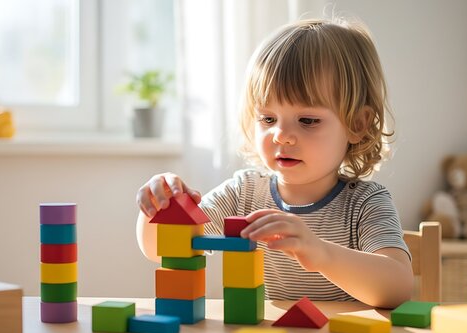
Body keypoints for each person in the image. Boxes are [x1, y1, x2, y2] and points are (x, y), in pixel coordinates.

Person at [135, 17, 413, 308]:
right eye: (268, 119)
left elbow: (398, 287)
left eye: (308, 120)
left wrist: (320, 252)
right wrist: (160, 206)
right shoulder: (243, 193)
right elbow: (160, 248)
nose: (281, 136)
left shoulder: (366, 203)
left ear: (357, 124)